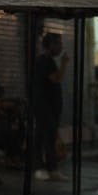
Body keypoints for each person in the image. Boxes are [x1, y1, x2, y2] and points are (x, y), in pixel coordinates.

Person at [31, 32, 68, 181]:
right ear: (50, 45)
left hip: (49, 107)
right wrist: (64, 64)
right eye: (58, 44)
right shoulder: (44, 61)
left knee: (45, 136)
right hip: (43, 106)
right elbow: (56, 78)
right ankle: (45, 168)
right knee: (46, 137)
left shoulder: (49, 61)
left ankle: (47, 168)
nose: (61, 47)